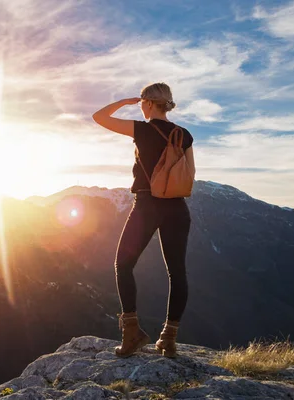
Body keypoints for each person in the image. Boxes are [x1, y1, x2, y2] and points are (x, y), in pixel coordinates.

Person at [91, 82, 196, 358]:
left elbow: (99, 118)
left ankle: (132, 334)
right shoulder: (183, 135)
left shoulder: (142, 129)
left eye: (141, 102)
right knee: (177, 273)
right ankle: (168, 339)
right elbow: (188, 173)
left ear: (149, 103)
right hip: (177, 207)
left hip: (147, 205)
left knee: (123, 266)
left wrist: (123, 103)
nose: (139, 106)